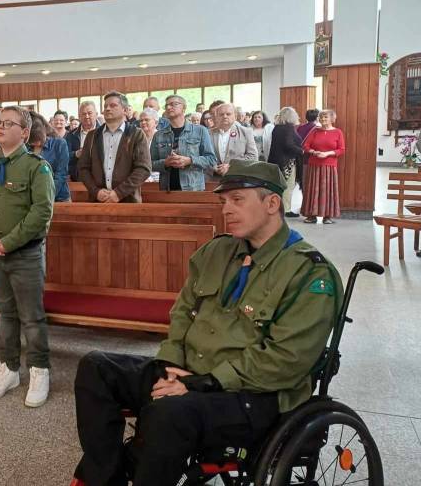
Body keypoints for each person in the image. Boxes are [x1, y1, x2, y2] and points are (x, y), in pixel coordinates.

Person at [71, 160, 342, 486]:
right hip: (190, 371)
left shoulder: (309, 273)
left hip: (253, 394)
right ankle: (107, 478)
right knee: (96, 367)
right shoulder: (217, 252)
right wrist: (171, 365)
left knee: (167, 414)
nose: (226, 209)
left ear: (272, 203)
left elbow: (286, 361)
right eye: (224, 201)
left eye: (237, 200)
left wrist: (205, 383)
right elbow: (183, 312)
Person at [0, 105, 55, 407]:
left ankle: (39, 369)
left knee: (31, 317)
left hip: (25, 254)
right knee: (4, 313)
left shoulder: (36, 167)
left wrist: (8, 242)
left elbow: (42, 212)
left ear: (25, 132)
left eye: (8, 123)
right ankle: (8, 368)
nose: (0, 127)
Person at [78, 91, 151, 203]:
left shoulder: (136, 134)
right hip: (98, 200)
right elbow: (83, 168)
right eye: (105, 106)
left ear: (125, 110)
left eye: (113, 105)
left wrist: (119, 193)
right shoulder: (92, 136)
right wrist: (96, 191)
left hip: (128, 200)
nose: (107, 109)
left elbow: (143, 169)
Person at [151, 94, 216, 191]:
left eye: (173, 104)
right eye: (167, 105)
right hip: (167, 190)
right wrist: (165, 163)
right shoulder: (159, 135)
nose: (168, 107)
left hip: (193, 189)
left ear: (184, 108)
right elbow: (150, 163)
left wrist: (190, 160)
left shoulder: (200, 131)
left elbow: (211, 160)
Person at [301, 110, 345, 225]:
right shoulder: (315, 131)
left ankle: (327, 216)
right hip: (314, 165)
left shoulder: (338, 132)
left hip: (329, 166)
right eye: (321, 117)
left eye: (325, 117)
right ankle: (311, 216)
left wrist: (327, 154)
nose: (322, 119)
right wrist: (314, 152)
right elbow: (305, 146)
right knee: (313, 190)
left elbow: (341, 150)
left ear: (332, 119)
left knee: (328, 191)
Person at [268, 106, 304, 218]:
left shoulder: (276, 128)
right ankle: (285, 209)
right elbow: (288, 144)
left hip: (276, 161)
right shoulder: (289, 128)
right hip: (287, 162)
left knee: (278, 186)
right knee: (288, 186)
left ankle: (277, 208)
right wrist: (301, 151)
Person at [28, 112, 70, 202]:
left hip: (58, 197)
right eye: (32, 141)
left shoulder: (59, 143)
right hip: (32, 198)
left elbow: (61, 174)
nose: (36, 143)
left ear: (44, 130)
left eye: (38, 139)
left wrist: (46, 195)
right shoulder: (26, 146)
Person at [209, 103, 257, 176]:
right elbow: (203, 155)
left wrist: (232, 166)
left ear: (235, 116)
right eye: (221, 114)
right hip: (213, 177)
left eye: (228, 114)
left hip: (238, 177)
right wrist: (214, 167)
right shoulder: (208, 133)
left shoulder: (246, 132)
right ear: (216, 117)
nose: (225, 116)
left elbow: (253, 157)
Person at [65, 101, 99, 181]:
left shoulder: (105, 132)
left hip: (100, 180)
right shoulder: (71, 135)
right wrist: (76, 154)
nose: (87, 116)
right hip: (78, 179)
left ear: (96, 114)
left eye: (89, 113)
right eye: (83, 114)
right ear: (79, 116)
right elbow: (64, 157)